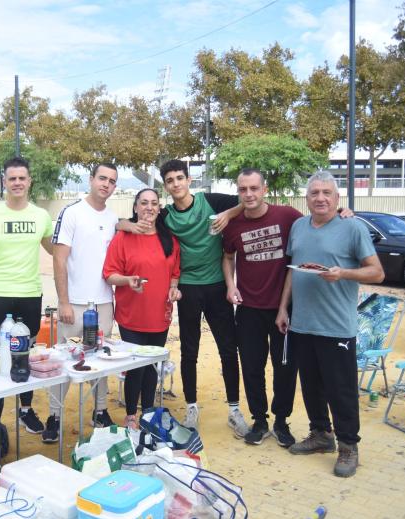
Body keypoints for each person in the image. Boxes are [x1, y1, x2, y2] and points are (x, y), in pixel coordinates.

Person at [121, 159, 245, 434]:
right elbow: (125, 222)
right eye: (170, 180)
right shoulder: (165, 216)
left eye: (180, 178)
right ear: (165, 186)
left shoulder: (211, 201)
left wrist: (229, 214)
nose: (176, 184)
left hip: (216, 286)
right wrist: (126, 225)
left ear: (189, 180)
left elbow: (249, 201)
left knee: (228, 349)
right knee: (190, 351)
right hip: (187, 288)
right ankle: (191, 408)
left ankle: (235, 409)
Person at [276, 171, 384, 478]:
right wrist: (284, 308)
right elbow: (292, 272)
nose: (320, 198)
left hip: (336, 326)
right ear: (306, 198)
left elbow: (376, 273)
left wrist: (343, 274)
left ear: (337, 199)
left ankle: (349, 446)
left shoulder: (352, 228)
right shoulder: (298, 226)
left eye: (326, 193)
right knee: (311, 386)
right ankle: (321, 434)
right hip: (302, 324)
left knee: (341, 390)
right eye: (314, 193)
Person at [0, 157, 53, 435]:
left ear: (29, 181)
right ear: (4, 181)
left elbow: (57, 250)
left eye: (22, 178)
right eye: (11, 178)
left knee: (24, 355)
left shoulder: (41, 216)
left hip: (29, 295)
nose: (17, 183)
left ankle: (26, 410)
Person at [222, 169, 302, 448]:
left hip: (283, 309)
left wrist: (343, 212)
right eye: (243, 189)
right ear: (238, 192)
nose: (249, 194)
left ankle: (281, 421)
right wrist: (230, 285)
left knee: (285, 368)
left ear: (264, 189)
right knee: (252, 368)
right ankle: (260, 420)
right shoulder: (233, 226)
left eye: (254, 188)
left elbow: (317, 225)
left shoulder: (288, 216)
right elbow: (228, 258)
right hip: (248, 310)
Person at [43, 163, 120, 443]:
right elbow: (59, 259)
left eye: (112, 181)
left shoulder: (113, 218)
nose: (106, 185)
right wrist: (63, 301)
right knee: (65, 360)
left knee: (101, 362)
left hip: (103, 304)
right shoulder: (72, 213)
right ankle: (54, 416)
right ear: (91, 179)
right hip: (73, 304)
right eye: (102, 178)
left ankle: (100, 411)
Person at [103, 189, 181, 429]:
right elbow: (109, 275)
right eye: (144, 203)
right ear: (135, 207)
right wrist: (127, 281)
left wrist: (174, 289)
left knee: (152, 365)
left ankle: (147, 411)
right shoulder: (123, 238)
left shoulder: (170, 239)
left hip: (160, 313)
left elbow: (175, 273)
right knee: (135, 366)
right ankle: (130, 415)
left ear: (159, 208)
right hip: (131, 314)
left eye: (154, 203)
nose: (149, 207)